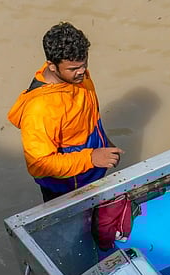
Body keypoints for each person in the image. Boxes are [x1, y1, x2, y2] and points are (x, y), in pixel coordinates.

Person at [7, 22, 121, 202]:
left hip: (93, 171)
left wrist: (104, 141)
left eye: (84, 64)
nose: (82, 72)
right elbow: (39, 164)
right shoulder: (40, 109)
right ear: (52, 66)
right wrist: (91, 158)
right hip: (68, 188)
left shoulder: (76, 76)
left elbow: (87, 116)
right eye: (74, 68)